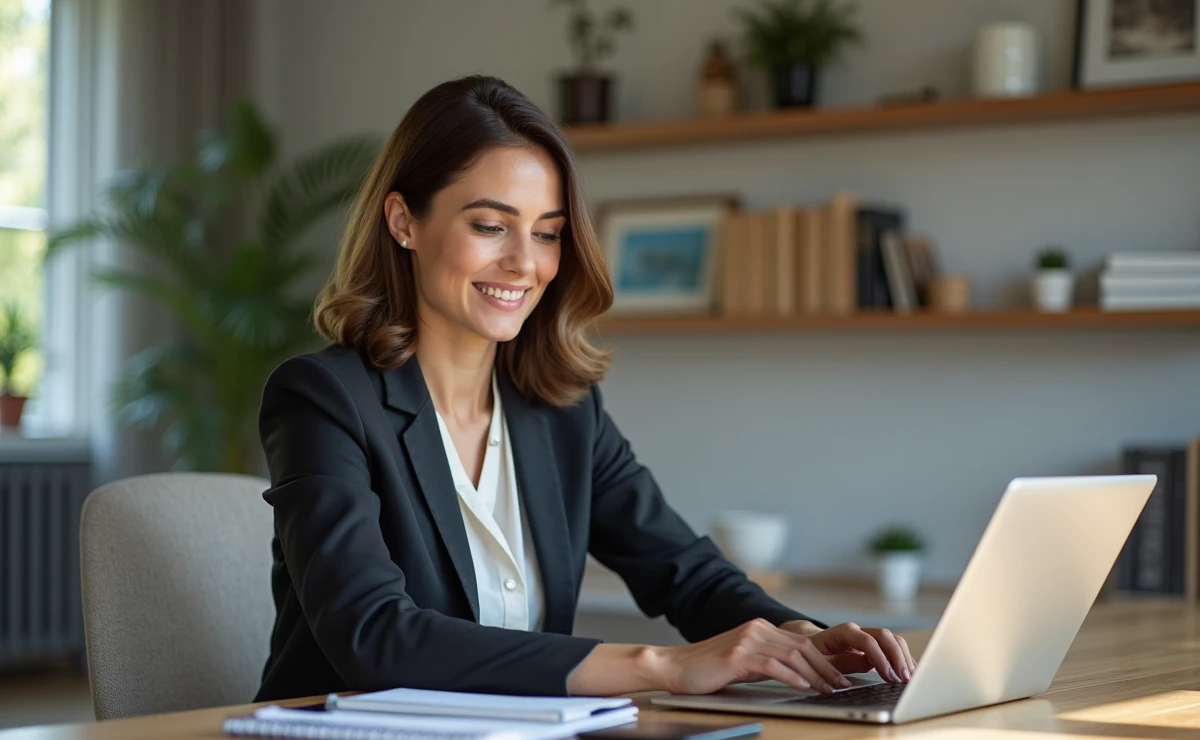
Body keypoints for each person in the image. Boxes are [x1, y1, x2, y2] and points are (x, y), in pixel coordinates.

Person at [254, 74, 915, 703]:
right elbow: (372, 634)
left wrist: (806, 637)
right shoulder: (323, 399)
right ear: (404, 221)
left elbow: (686, 572)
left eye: (548, 233)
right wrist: (659, 664)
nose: (525, 262)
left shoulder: (561, 413)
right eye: (490, 225)